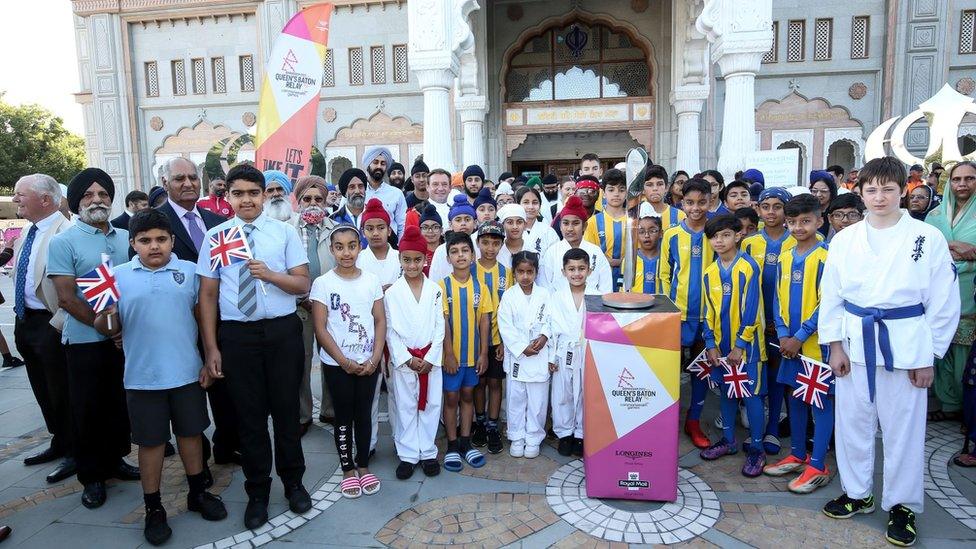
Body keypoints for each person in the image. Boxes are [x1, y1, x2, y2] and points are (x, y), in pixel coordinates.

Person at [819, 157, 960, 547]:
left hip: (907, 347)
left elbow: (944, 301)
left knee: (904, 431)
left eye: (888, 189)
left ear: (904, 191)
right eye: (871, 189)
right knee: (852, 425)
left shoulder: (925, 237)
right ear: (860, 192)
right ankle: (857, 492)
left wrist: (928, 355)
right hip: (855, 342)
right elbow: (830, 296)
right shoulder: (845, 239)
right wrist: (834, 345)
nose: (879, 197)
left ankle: (902, 504)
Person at [95, 209, 227, 544]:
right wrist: (108, 319)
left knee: (191, 433)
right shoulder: (116, 276)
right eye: (145, 241)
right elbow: (105, 325)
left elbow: (202, 315)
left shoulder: (188, 271)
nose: (154, 246)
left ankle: (197, 491)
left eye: (161, 239)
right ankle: (153, 507)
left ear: (172, 241)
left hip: (185, 372)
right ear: (133, 243)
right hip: (143, 377)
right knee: (151, 443)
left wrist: (208, 355)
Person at [196, 164, 312, 530]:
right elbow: (208, 295)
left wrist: (271, 275)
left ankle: (293, 482)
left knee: (286, 413)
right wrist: (212, 347)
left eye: (253, 192)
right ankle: (257, 492)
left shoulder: (283, 233)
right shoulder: (217, 236)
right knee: (250, 419)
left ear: (264, 195)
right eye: (238, 193)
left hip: (281, 332)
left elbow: (302, 285)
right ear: (227, 197)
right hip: (237, 337)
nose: (246, 199)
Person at [47, 168, 140, 509]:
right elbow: (67, 298)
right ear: (76, 203)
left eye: (103, 194)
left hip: (123, 340)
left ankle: (116, 460)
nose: (97, 200)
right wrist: (104, 327)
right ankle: (92, 477)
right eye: (88, 195)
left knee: (118, 405)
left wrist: (121, 330)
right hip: (86, 342)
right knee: (88, 409)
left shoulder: (125, 236)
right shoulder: (64, 241)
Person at [157, 157, 240, 467]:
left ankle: (227, 445)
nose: (188, 183)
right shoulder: (155, 223)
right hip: (177, 325)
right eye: (180, 178)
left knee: (225, 388)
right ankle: (197, 458)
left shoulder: (217, 222)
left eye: (193, 177)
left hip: (219, 321)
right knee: (188, 394)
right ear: (165, 183)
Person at [763, 194, 833, 494]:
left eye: (805, 221)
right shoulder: (786, 256)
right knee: (795, 397)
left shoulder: (827, 257)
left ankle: (818, 463)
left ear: (819, 220)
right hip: (788, 343)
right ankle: (798, 453)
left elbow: (828, 303)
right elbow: (778, 298)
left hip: (815, 346)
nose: (798, 227)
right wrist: (782, 333)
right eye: (793, 222)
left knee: (819, 400)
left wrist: (800, 336)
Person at [311, 224, 385, 498]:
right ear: (331, 250)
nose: (346, 252)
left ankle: (364, 466)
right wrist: (343, 361)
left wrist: (375, 357)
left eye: (351, 246)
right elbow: (321, 328)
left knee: (364, 414)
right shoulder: (323, 283)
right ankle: (347, 469)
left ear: (359, 246)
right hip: (337, 365)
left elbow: (380, 320)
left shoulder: (371, 280)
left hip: (368, 362)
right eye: (339, 247)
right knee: (343, 417)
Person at [11, 174, 75, 483]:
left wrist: (58, 325)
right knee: (42, 389)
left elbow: (76, 288)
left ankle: (75, 449)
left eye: (20, 194)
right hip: (26, 323)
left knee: (62, 390)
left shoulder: (68, 232)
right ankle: (58, 440)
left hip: (52, 323)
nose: (15, 200)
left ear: (45, 200)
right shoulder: (29, 232)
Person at [699, 214, 767, 477]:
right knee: (726, 393)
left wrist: (740, 345)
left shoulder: (749, 267)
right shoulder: (709, 273)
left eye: (725, 235)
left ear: (738, 235)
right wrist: (711, 344)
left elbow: (751, 309)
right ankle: (728, 441)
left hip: (747, 348)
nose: (719, 240)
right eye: (714, 236)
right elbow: (708, 311)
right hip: (721, 347)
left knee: (751, 396)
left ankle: (757, 448)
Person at [659, 178, 716, 449]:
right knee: (669, 370)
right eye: (690, 202)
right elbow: (664, 274)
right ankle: (665, 419)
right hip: (677, 316)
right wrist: (667, 311)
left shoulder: (717, 231)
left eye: (701, 202)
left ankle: (693, 421)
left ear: (710, 201)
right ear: (681, 202)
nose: (696, 208)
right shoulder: (671, 234)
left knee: (701, 371)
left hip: (708, 317)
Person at [385, 226, 445, 480]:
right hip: (406, 360)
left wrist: (430, 358)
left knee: (431, 405)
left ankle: (428, 452)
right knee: (406, 406)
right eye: (407, 260)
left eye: (417, 260)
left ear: (425, 260)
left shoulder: (435, 290)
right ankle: (409, 454)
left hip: (430, 359)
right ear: (400, 259)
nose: (412, 265)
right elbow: (389, 330)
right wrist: (407, 358)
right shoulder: (392, 293)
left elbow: (440, 327)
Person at [741, 187, 796, 454]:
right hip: (754, 322)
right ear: (758, 209)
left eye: (777, 206)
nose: (771, 212)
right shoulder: (749, 242)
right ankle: (755, 426)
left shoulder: (796, 240)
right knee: (756, 374)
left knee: (777, 377)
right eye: (766, 206)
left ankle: (773, 426)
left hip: (783, 324)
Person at [926, 161, 976, 422]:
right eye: (957, 179)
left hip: (971, 293)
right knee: (942, 347)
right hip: (941, 290)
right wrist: (955, 244)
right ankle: (948, 404)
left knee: (965, 354)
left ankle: (967, 409)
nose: (962, 185)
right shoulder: (934, 216)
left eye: (969, 179)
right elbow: (927, 252)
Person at [439, 231, 492, 473]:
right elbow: (443, 322)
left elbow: (484, 321)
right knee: (451, 398)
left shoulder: (481, 287)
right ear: (448, 257)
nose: (460, 255)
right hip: (452, 357)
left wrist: (483, 354)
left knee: (468, 396)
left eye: (464, 251)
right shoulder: (442, 287)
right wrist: (448, 353)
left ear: (473, 255)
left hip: (473, 356)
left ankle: (465, 442)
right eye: (454, 251)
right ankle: (451, 445)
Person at [291, 176, 337, 433]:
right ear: (298, 201)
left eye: (318, 199)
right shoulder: (287, 229)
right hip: (299, 308)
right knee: (302, 361)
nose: (313, 204)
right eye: (307, 199)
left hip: (328, 308)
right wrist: (303, 298)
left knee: (331, 358)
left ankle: (330, 410)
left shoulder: (335, 229)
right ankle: (302, 415)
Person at [356, 199, 401, 455]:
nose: (375, 233)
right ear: (364, 231)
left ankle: (401, 440)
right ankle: (368, 443)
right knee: (369, 393)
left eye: (380, 227)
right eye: (370, 228)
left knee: (398, 391)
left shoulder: (400, 257)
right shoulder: (359, 259)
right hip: (368, 333)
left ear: (389, 229)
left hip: (397, 333)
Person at [498, 251, 552, 459]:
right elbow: (505, 326)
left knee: (538, 401)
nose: (525, 276)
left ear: (536, 273)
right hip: (519, 356)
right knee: (516, 399)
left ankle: (533, 437)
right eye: (521, 272)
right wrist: (521, 347)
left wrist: (544, 336)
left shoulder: (545, 295)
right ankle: (517, 436)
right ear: (514, 273)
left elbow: (550, 320)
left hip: (539, 353)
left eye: (530, 272)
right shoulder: (509, 296)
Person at [470, 221, 510, 456]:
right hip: (474, 339)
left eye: (496, 243)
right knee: (479, 383)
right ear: (478, 243)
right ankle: (480, 423)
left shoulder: (506, 272)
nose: (490, 248)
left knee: (495, 382)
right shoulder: (470, 269)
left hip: (497, 338)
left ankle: (493, 426)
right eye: (485, 242)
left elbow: (509, 308)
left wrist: (504, 341)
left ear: (502, 245)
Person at [550, 248, 592, 457]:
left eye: (581, 268)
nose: (577, 273)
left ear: (589, 270)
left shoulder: (595, 296)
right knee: (563, 393)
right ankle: (565, 433)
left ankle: (582, 433)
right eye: (572, 269)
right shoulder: (557, 296)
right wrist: (551, 357)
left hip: (587, 351)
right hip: (563, 351)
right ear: (564, 271)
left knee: (585, 392)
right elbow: (550, 328)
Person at [540, 197, 612, 293]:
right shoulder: (552, 252)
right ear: (560, 226)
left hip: (591, 305)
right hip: (558, 306)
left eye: (575, 223)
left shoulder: (595, 251)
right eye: (566, 223)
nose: (570, 228)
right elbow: (544, 285)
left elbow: (605, 287)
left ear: (584, 226)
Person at [584, 169, 628, 291]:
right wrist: (614, 262)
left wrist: (621, 262)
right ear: (603, 193)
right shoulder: (593, 222)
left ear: (626, 192)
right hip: (601, 278)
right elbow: (590, 254)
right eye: (611, 189)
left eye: (621, 189)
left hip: (629, 278)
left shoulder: (633, 220)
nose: (616, 194)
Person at [428, 195, 479, 282]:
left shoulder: (479, 246)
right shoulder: (441, 251)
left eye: (467, 219)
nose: (463, 223)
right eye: (458, 220)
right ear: (450, 224)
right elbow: (434, 281)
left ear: (475, 223)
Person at [362, 147, 407, 236]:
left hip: (390, 245)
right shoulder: (356, 192)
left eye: (383, 163)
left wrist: (400, 247)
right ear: (368, 165)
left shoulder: (396, 193)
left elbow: (402, 225)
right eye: (375, 162)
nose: (379, 166)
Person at [631, 165, 685, 235]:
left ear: (667, 188)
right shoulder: (634, 216)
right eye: (649, 185)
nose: (655, 188)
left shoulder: (680, 216)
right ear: (642, 189)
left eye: (659, 184)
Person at [518, 186, 559, 255]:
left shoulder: (548, 231)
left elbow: (555, 257)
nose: (531, 207)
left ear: (540, 206)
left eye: (535, 202)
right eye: (526, 202)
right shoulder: (511, 230)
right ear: (518, 204)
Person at [632, 204, 661, 294]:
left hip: (662, 307)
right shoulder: (630, 260)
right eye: (641, 232)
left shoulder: (667, 260)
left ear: (661, 233)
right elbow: (623, 289)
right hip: (636, 307)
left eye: (652, 231)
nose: (647, 236)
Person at [809, 171, 838, 238]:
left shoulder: (836, 211)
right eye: (814, 191)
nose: (818, 195)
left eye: (823, 191)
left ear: (832, 192)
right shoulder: (808, 209)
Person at [497, 203, 527, 268]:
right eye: (510, 222)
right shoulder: (496, 251)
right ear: (502, 225)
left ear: (525, 225)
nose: (515, 226)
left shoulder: (532, 250)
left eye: (519, 222)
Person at [419, 205, 442, 276]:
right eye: (425, 227)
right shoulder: (417, 252)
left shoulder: (447, 250)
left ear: (441, 230)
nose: (430, 231)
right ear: (420, 230)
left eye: (435, 227)